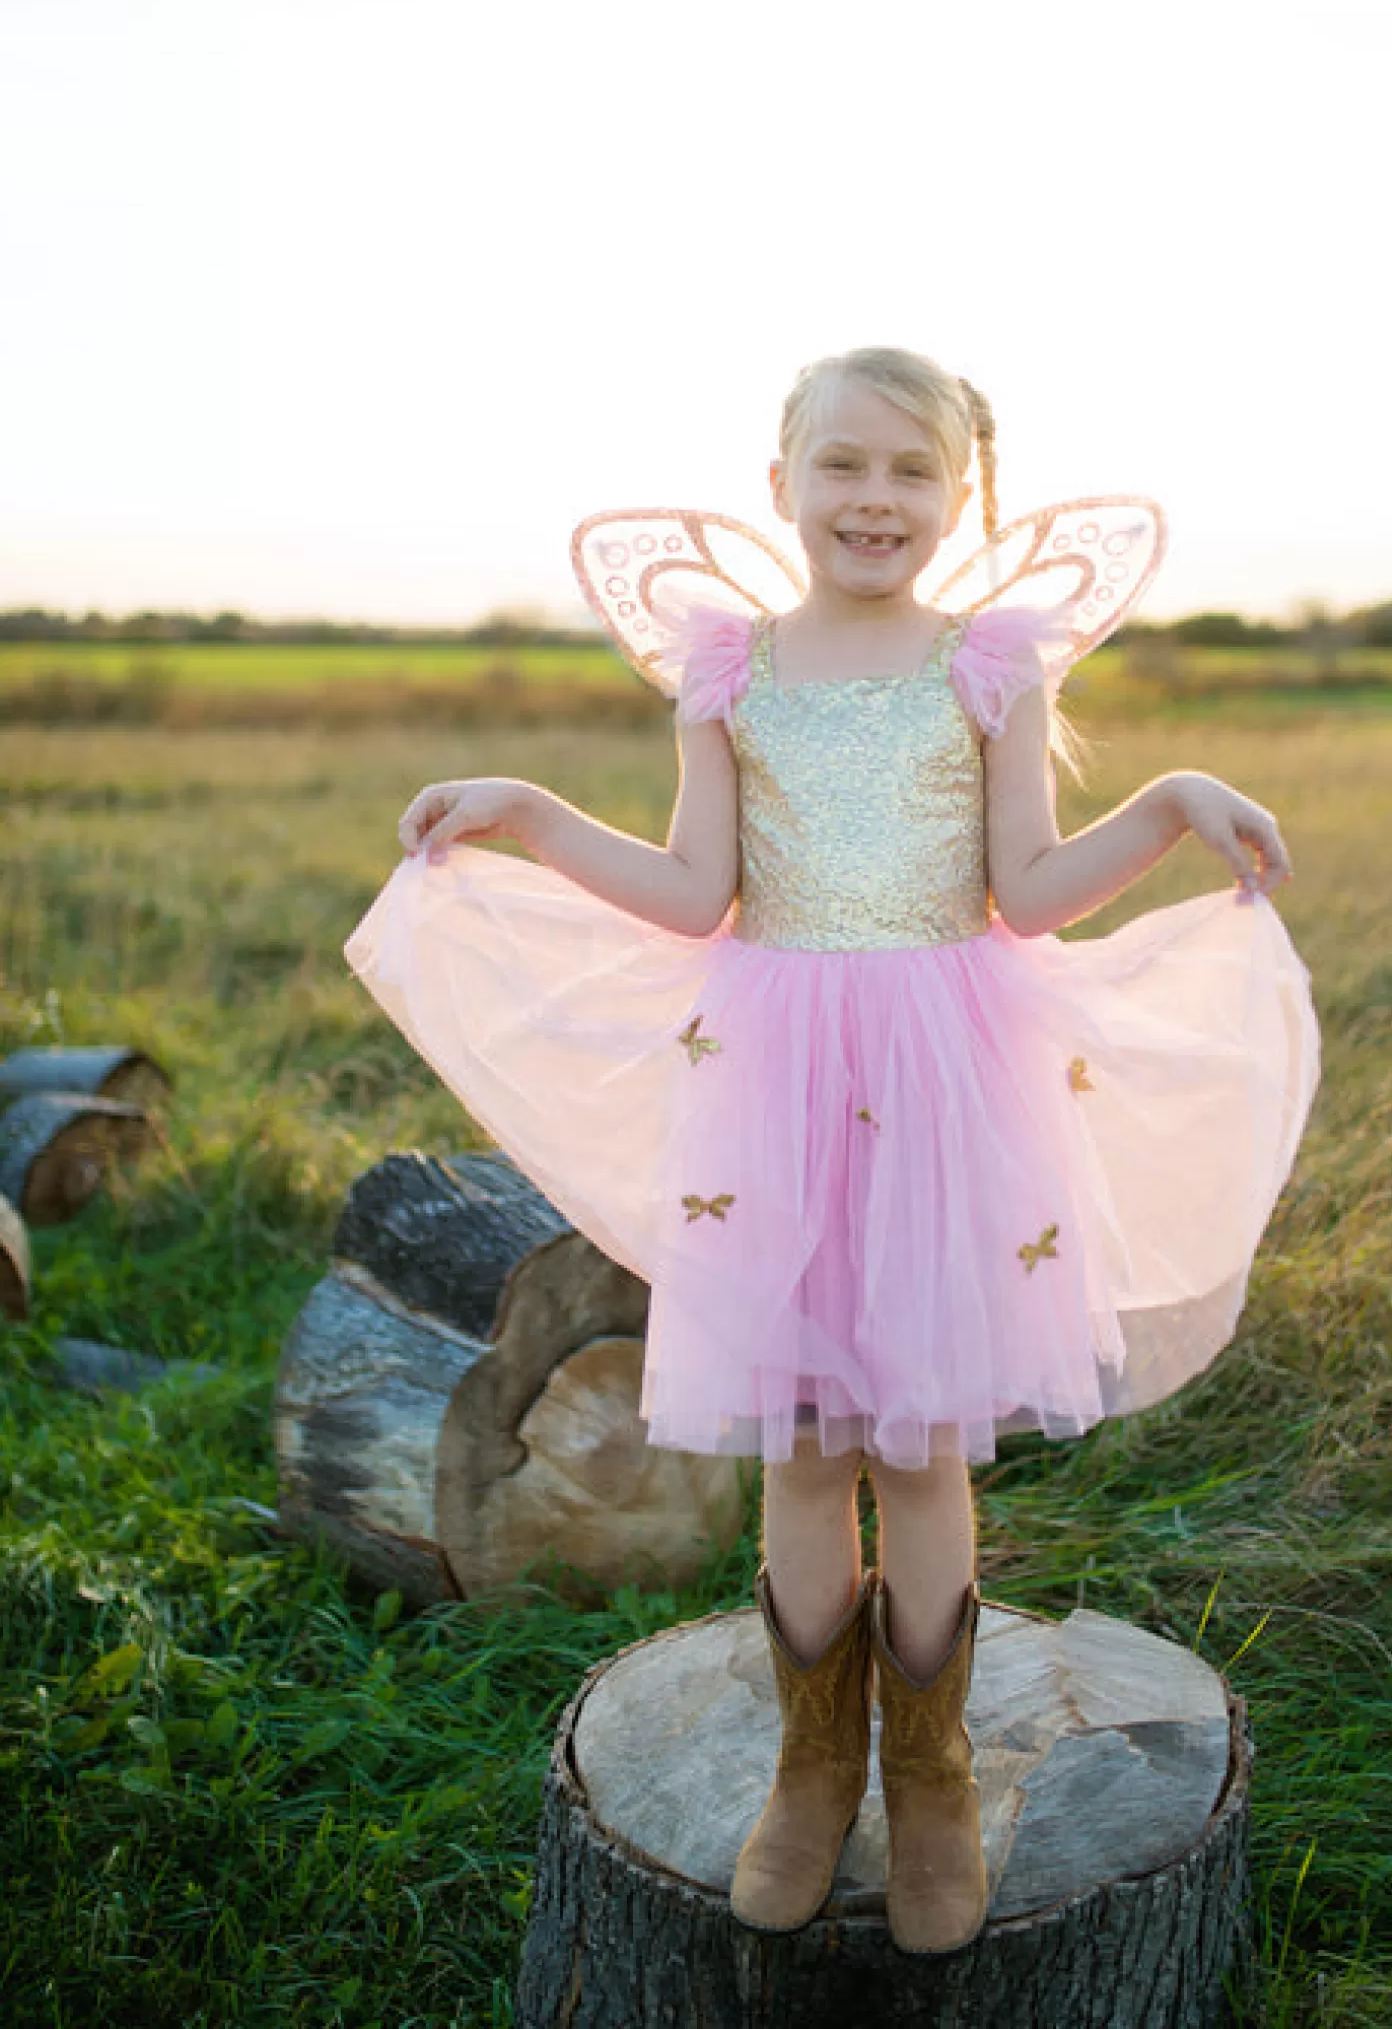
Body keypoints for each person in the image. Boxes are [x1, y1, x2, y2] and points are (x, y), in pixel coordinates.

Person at [343, 345, 1319, 1956]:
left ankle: (927, 1774)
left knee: (921, 1443)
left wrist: (1167, 797)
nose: (878, 499)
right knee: (804, 1442)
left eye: (913, 473)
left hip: (945, 1084)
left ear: (961, 496)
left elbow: (1025, 889)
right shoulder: (731, 667)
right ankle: (813, 1764)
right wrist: (523, 804)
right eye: (845, 465)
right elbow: (690, 888)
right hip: (775, 1085)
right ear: (782, 479)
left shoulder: (990, 663)